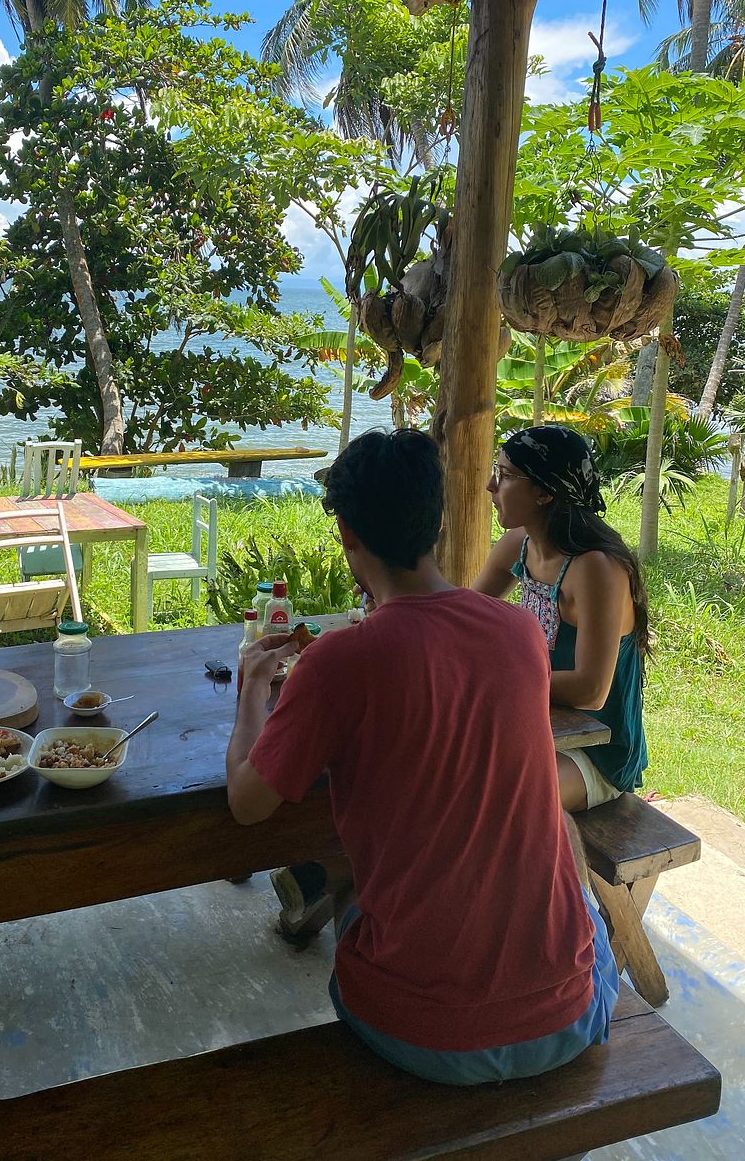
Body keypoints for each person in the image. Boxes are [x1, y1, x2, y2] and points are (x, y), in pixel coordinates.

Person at [226, 429, 617, 1085]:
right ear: (437, 521)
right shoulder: (520, 633)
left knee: (349, 871)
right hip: (565, 1021)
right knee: (563, 855)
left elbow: (246, 803)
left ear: (347, 533)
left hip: (422, 1037)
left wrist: (252, 692)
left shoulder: (337, 662)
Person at [473, 424, 649, 812]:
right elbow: (463, 620)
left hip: (597, 753)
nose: (490, 485)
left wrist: (498, 681)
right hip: (539, 728)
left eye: (505, 475)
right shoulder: (519, 544)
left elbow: (591, 690)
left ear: (545, 492)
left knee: (499, 800)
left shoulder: (596, 569)